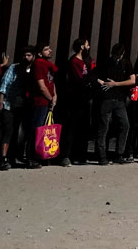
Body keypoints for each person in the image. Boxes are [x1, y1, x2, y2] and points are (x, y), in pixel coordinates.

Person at [62, 37, 95, 165]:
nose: (89, 47)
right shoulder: (74, 61)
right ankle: (67, 155)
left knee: (83, 127)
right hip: (75, 98)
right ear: (82, 46)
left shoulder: (87, 61)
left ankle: (80, 155)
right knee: (71, 127)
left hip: (85, 98)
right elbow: (78, 78)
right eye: (87, 45)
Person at [25, 41, 59, 167]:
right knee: (36, 129)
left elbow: (51, 81)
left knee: (45, 130)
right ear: (39, 53)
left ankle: (42, 155)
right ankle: (31, 157)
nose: (50, 51)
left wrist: (54, 95)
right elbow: (41, 85)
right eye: (46, 49)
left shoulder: (49, 64)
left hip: (48, 100)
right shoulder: (38, 64)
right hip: (40, 101)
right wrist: (50, 98)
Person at [0, 48, 24, 171]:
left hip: (22, 105)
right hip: (9, 104)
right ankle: (3, 159)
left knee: (19, 132)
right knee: (7, 131)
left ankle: (14, 157)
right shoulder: (14, 68)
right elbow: (4, 85)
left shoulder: (31, 70)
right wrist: (1, 102)